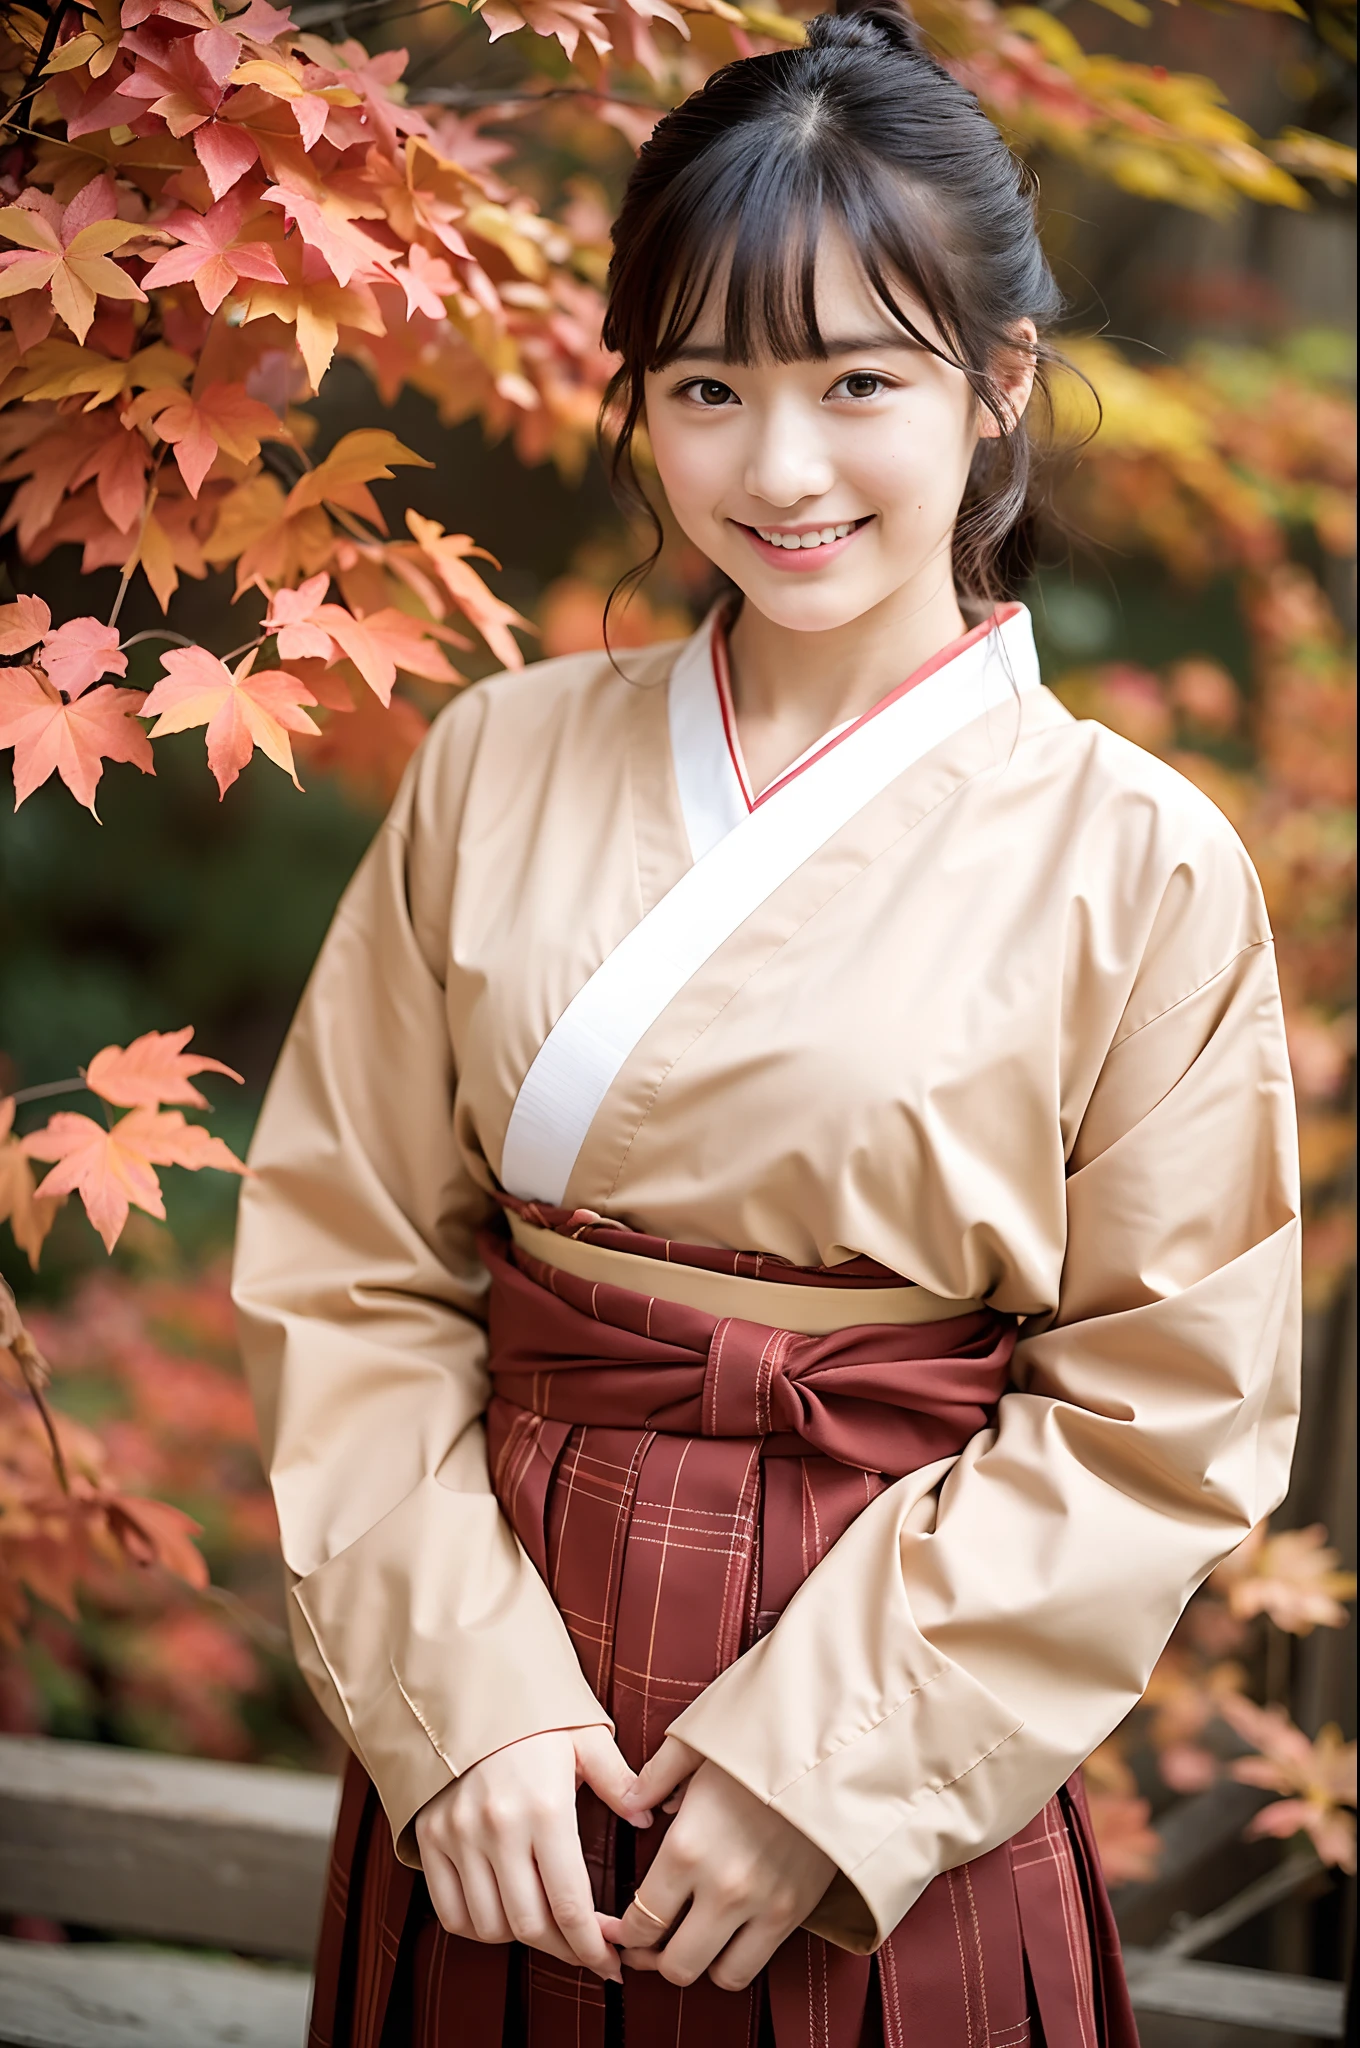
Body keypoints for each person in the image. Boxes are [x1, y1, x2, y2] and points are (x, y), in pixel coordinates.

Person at [231, 5, 1302, 2043]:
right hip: (501, 1728)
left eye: (855, 383)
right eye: (705, 385)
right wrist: (453, 1710)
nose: (777, 467)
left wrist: (837, 1767)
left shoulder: (1135, 854)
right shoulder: (497, 758)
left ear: (994, 385)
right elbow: (346, 1269)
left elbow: (1162, 1406)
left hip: (897, 1745)